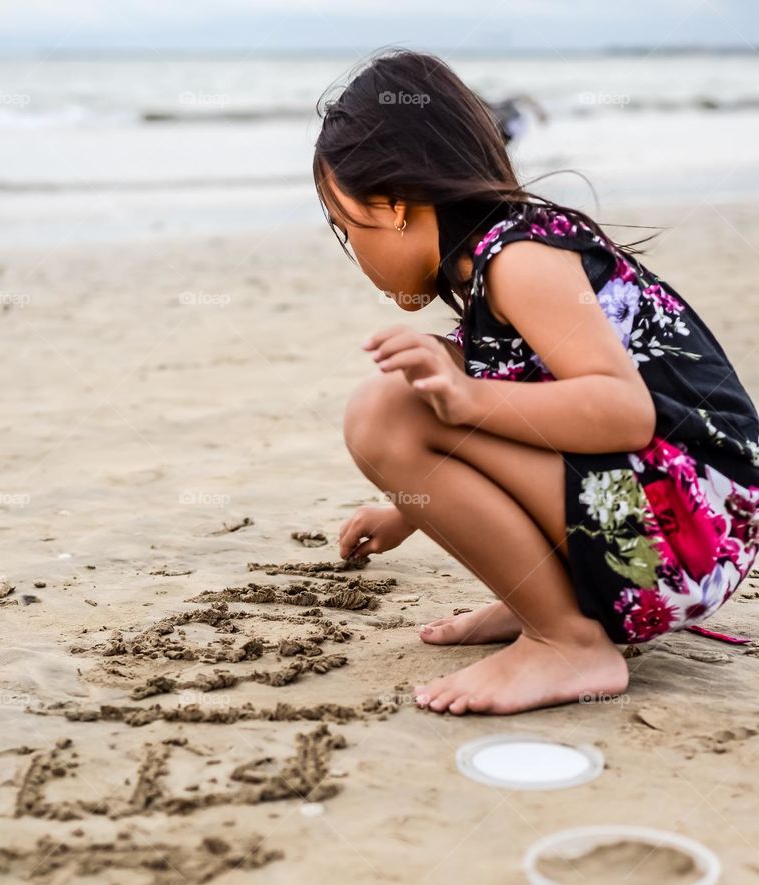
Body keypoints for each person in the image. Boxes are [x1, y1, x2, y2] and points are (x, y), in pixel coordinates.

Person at [313, 49, 759, 715]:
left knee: (387, 411)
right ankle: (547, 601)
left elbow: (622, 414)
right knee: (442, 374)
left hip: (683, 542)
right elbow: (524, 411)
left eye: (349, 230)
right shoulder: (498, 262)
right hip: (669, 531)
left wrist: (463, 398)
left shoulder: (523, 260)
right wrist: (407, 506)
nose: (355, 256)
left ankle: (567, 640)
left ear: (397, 204)